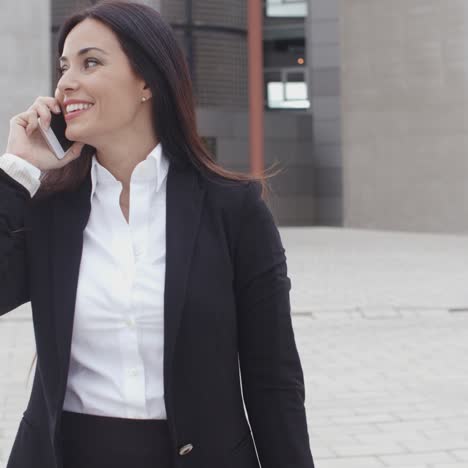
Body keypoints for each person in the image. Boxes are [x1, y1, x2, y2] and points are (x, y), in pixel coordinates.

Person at [0, 1, 315, 467]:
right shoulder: (50, 208)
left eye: (91, 62)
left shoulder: (232, 208)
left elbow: (274, 379)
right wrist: (16, 173)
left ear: (147, 80)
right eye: (64, 66)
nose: (66, 82)